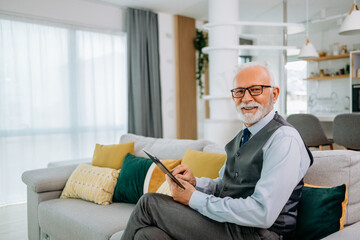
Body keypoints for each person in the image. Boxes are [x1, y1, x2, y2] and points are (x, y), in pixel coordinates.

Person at [120, 62, 313, 240]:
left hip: (260, 234)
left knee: (148, 204)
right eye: (239, 92)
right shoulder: (242, 136)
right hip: (230, 225)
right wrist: (195, 183)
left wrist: (194, 198)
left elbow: (262, 212)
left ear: (275, 94)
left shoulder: (284, 138)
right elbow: (223, 186)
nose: (246, 98)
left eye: (255, 90)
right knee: (147, 235)